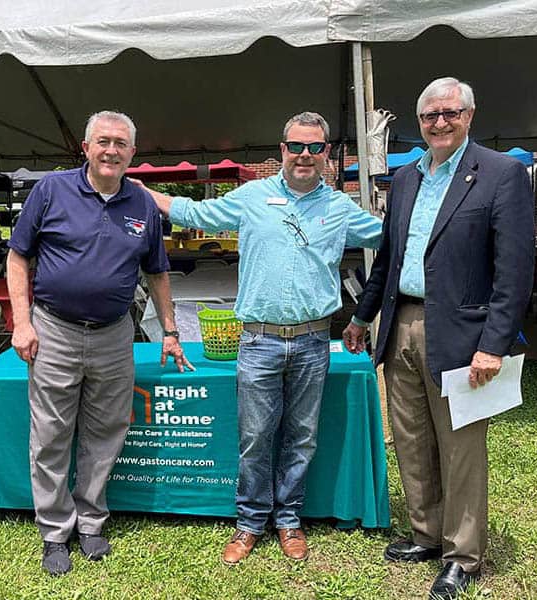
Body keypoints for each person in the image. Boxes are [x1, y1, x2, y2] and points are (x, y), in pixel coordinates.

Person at [143, 111, 382, 565]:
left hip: (314, 341)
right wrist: (144, 192)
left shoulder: (340, 208)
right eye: (296, 146)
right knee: (254, 437)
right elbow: (197, 212)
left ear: (326, 154)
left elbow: (391, 238)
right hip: (258, 341)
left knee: (303, 436)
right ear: (282, 150)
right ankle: (250, 523)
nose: (304, 155)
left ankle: (289, 520)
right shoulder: (251, 197)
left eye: (314, 147)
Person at [343, 77, 534, 599]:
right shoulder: (405, 179)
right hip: (398, 321)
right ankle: (426, 533)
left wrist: (493, 343)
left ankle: (462, 555)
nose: (440, 123)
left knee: (460, 446)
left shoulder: (502, 174)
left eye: (450, 112)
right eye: (429, 115)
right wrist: (362, 318)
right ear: (419, 122)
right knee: (410, 437)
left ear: (470, 115)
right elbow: (388, 257)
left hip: (463, 331)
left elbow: (514, 271)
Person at [6, 110, 191, 576]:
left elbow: (158, 272)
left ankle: (90, 522)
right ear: (86, 148)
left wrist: (170, 331)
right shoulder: (51, 190)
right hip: (54, 331)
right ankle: (54, 532)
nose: (111, 150)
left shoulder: (142, 204)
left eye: (121, 143)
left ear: (132, 153)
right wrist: (22, 323)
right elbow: (18, 257)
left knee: (106, 432)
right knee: (50, 434)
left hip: (114, 334)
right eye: (103, 141)